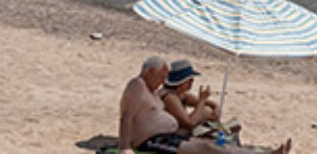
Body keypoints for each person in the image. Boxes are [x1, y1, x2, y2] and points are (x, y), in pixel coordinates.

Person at [119, 57, 289, 154]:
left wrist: (206, 102)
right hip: (152, 141)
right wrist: (125, 148)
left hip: (168, 137)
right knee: (207, 147)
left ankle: (265, 153)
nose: (163, 81)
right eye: (161, 76)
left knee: (214, 145)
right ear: (150, 72)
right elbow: (126, 118)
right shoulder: (138, 85)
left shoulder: (152, 90)